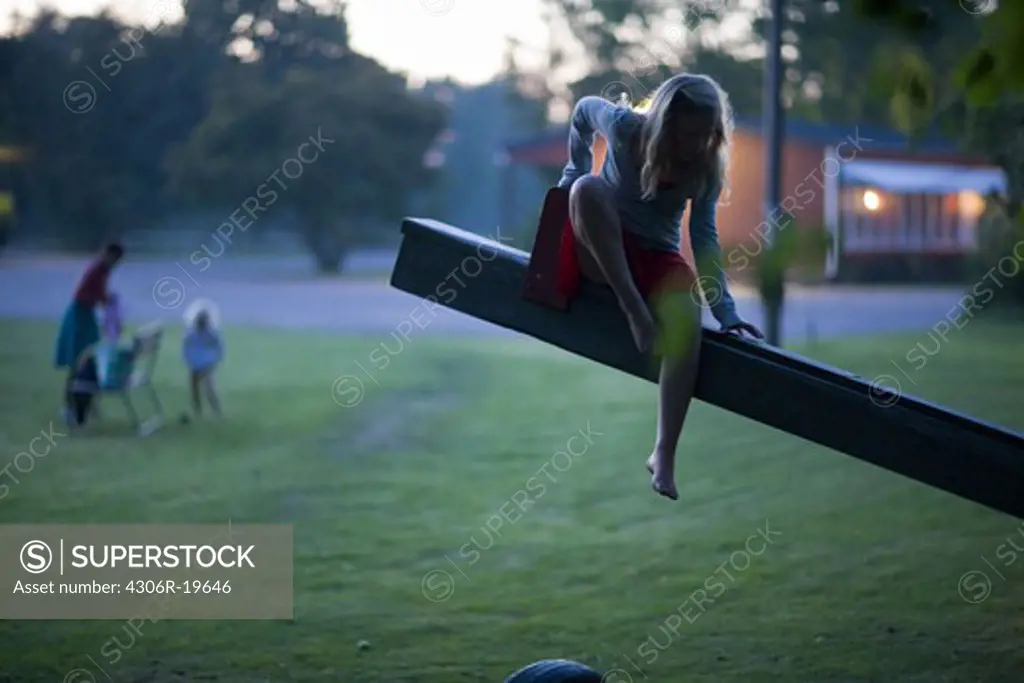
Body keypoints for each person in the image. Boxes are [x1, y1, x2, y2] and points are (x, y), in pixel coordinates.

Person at [556, 74, 763, 501]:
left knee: (687, 310)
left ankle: (664, 452)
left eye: (705, 135)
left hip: (656, 258)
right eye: (687, 133)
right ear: (664, 123)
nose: (694, 144)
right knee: (587, 188)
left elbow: (704, 238)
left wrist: (727, 314)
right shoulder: (624, 125)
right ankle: (634, 311)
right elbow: (580, 114)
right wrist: (573, 168)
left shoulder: (706, 167)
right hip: (603, 246)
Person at [54, 242, 124, 422]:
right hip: (80, 315)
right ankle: (72, 406)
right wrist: (106, 300)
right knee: (78, 362)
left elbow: (99, 294)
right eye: (115, 258)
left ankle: (84, 405)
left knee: (89, 360)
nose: (115, 263)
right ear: (108, 254)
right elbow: (85, 294)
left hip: (86, 314)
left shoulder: (102, 269)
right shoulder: (98, 269)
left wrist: (107, 301)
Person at [183, 308, 223, 417]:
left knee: (209, 388)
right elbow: (187, 349)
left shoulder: (211, 334)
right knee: (195, 388)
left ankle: (216, 410)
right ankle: (198, 410)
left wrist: (213, 361)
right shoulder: (192, 334)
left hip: (206, 366)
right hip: (196, 365)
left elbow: (218, 348)